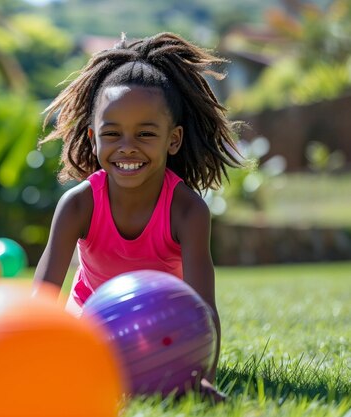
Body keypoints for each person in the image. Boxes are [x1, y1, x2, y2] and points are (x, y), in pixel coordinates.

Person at [33, 32, 243, 400]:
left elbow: (203, 308)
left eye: (146, 133)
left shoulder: (187, 210)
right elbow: (42, 298)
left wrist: (203, 378)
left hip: (164, 328)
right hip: (91, 322)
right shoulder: (78, 205)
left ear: (172, 139)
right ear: (93, 137)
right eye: (111, 133)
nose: (127, 147)